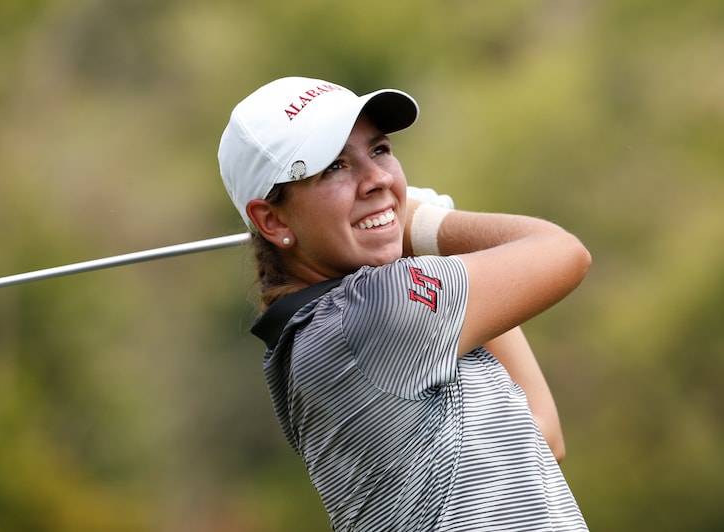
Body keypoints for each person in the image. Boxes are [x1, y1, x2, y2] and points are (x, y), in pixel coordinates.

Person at [218, 76, 592, 531]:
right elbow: (564, 252)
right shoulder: (372, 312)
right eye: (334, 166)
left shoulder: (323, 331)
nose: (376, 179)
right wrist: (428, 225)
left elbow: (543, 433)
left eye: (379, 150)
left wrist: (443, 254)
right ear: (271, 219)